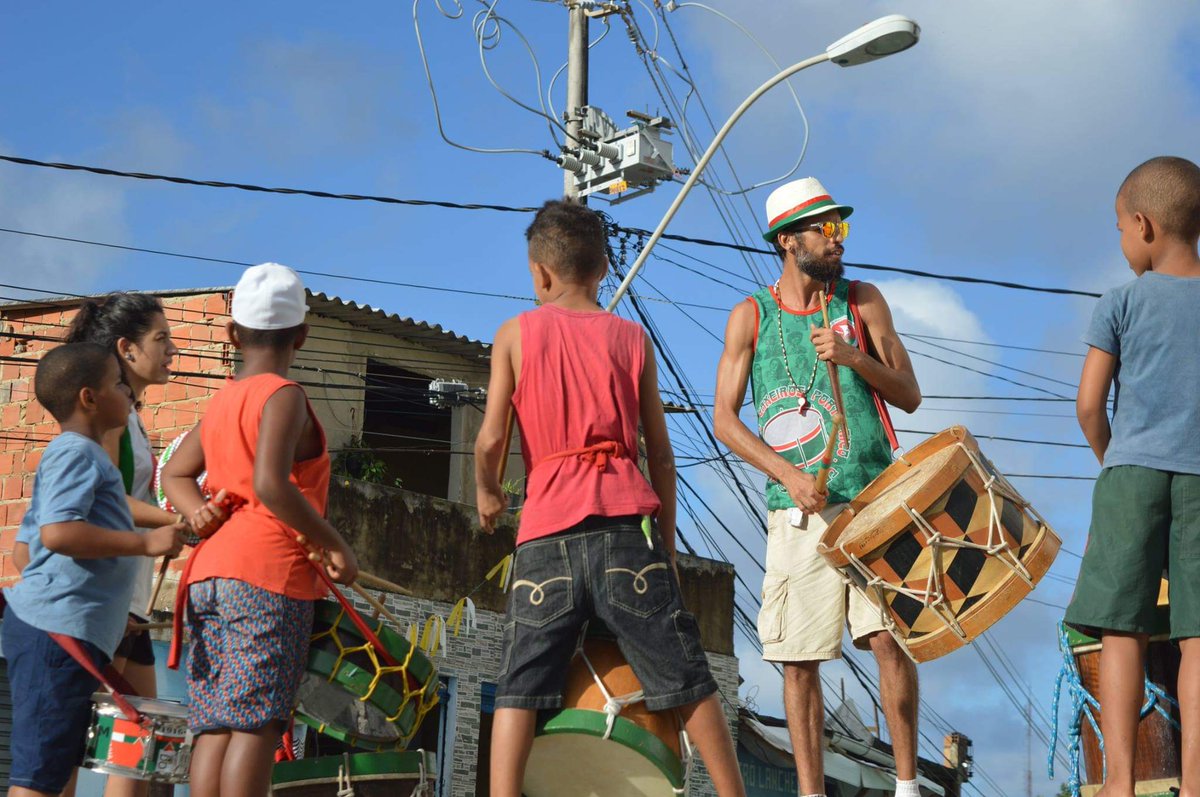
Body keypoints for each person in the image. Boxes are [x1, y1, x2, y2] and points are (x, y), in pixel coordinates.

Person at [474, 199, 746, 797]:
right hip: (626, 531)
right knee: (684, 673)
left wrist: (488, 492)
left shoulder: (515, 335)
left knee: (521, 679)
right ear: (602, 270)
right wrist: (667, 547)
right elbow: (663, 456)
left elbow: (491, 437)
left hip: (546, 533)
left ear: (539, 273)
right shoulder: (632, 339)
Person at [713, 177, 922, 797]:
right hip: (798, 511)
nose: (836, 240)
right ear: (786, 241)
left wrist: (856, 357)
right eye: (823, 229)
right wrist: (788, 475)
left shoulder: (863, 300)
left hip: (875, 499)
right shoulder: (751, 316)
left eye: (840, 228)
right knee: (798, 659)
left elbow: (910, 396)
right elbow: (725, 419)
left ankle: (908, 787)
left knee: (890, 638)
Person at [161, 262, 358, 797]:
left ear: (232, 334)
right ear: (302, 335)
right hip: (268, 575)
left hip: (208, 577)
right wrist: (334, 543)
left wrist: (196, 510)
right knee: (258, 721)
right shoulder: (284, 395)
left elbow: (175, 472)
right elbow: (272, 485)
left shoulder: (222, 399)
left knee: (214, 724)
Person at [1064, 156, 1200, 797]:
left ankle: (1118, 784)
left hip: (1132, 473)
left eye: (1119, 228)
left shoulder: (1120, 302)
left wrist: (1112, 461)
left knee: (1122, 629)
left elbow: (1090, 405)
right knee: (1199, 634)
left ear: (1143, 225)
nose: (1120, 241)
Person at [1, 343, 186, 797]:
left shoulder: (75, 458)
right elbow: (59, 535)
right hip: (55, 640)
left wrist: (99, 611)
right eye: (120, 384)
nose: (130, 393)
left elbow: (26, 553)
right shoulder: (78, 455)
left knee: (54, 767)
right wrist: (145, 541)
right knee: (39, 779)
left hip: (62, 633)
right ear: (89, 398)